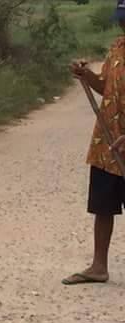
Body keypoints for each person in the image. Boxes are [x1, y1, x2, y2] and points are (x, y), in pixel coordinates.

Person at [63, 2, 125, 286]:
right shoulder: (117, 47)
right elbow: (106, 88)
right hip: (107, 142)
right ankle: (99, 267)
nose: (123, 25)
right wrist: (86, 75)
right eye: (121, 19)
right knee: (102, 205)